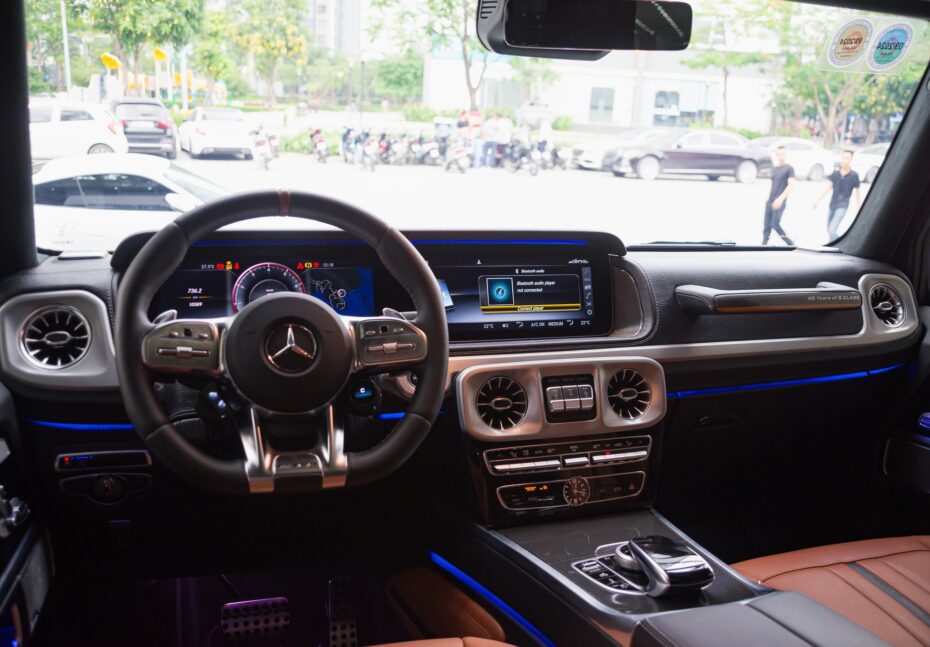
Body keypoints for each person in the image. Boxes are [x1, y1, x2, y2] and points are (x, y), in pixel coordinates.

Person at [812, 150, 862, 240]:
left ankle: (839, 244)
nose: (844, 160)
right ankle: (835, 243)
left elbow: (857, 192)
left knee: (832, 230)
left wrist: (859, 207)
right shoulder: (836, 173)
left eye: (847, 158)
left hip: (843, 206)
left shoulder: (854, 175)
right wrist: (817, 201)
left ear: (851, 160)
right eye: (843, 157)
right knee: (829, 229)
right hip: (832, 205)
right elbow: (828, 187)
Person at [762, 146, 797, 246]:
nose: (780, 156)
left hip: (780, 201)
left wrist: (780, 199)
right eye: (778, 154)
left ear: (786, 155)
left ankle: (790, 243)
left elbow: (791, 184)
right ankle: (763, 245)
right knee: (766, 226)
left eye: (783, 154)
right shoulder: (775, 168)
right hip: (770, 200)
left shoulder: (789, 168)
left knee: (775, 224)